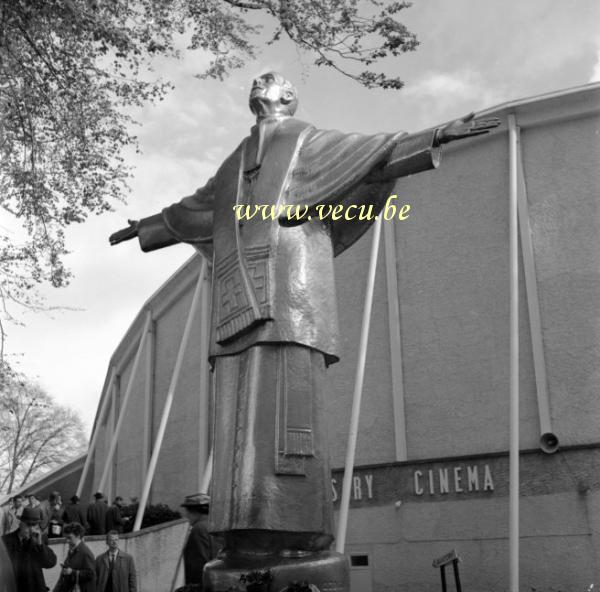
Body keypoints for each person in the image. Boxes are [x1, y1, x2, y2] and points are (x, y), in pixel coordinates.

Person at [110, 72, 499, 562]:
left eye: (267, 82)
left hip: (291, 287)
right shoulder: (234, 162)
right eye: (252, 80)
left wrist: (435, 136)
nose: (256, 85)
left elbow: (374, 153)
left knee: (285, 406)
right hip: (237, 301)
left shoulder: (308, 142)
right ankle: (241, 521)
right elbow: (195, 209)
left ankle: (293, 523)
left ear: (288, 97)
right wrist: (148, 226)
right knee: (238, 412)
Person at [1, 506, 57, 591]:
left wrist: (40, 545)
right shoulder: (5, 541)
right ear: (20, 523)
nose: (31, 529)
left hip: (34, 587)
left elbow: (50, 563)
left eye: (34, 525)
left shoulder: (39, 540)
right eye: (28, 525)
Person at [180, 493, 217, 589]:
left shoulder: (199, 529)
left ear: (195, 511)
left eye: (188, 511)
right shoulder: (215, 525)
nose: (186, 515)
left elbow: (198, 564)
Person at [53, 522, 96, 592]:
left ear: (78, 536)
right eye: (66, 538)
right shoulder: (73, 549)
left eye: (69, 538)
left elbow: (91, 574)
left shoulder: (85, 552)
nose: (67, 540)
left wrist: (72, 572)